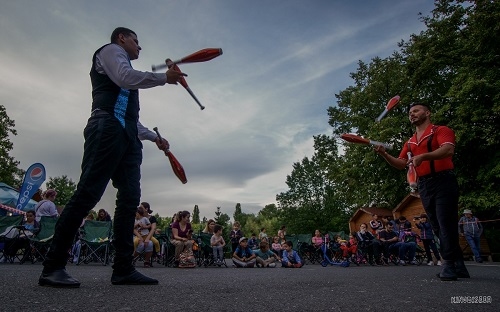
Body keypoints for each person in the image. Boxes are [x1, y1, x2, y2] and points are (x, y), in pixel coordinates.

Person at [38, 27, 186, 288]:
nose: (139, 47)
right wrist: (165, 78)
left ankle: (123, 269)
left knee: (129, 200)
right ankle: (53, 266)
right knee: (87, 194)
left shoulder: (128, 71)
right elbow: (124, 78)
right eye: (136, 41)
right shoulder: (110, 52)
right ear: (122, 38)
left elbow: (130, 119)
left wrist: (154, 138)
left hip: (126, 135)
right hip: (106, 129)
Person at [374, 102, 469, 281]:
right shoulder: (409, 142)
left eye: (416, 111)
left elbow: (448, 150)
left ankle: (448, 263)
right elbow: (401, 163)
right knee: (436, 225)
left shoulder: (440, 130)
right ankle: (459, 265)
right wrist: (385, 155)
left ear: (427, 112)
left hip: (444, 180)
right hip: (424, 185)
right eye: (410, 112)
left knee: (445, 222)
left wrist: (423, 156)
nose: (412, 114)